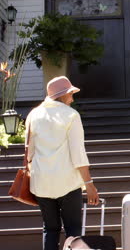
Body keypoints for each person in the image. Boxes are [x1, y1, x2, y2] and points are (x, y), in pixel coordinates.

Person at [26, 76, 99, 250]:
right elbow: (78, 153)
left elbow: (29, 153)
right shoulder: (71, 115)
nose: (72, 98)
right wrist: (89, 184)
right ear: (62, 95)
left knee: (50, 229)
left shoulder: (34, 114)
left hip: (41, 183)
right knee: (73, 229)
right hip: (67, 182)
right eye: (70, 94)